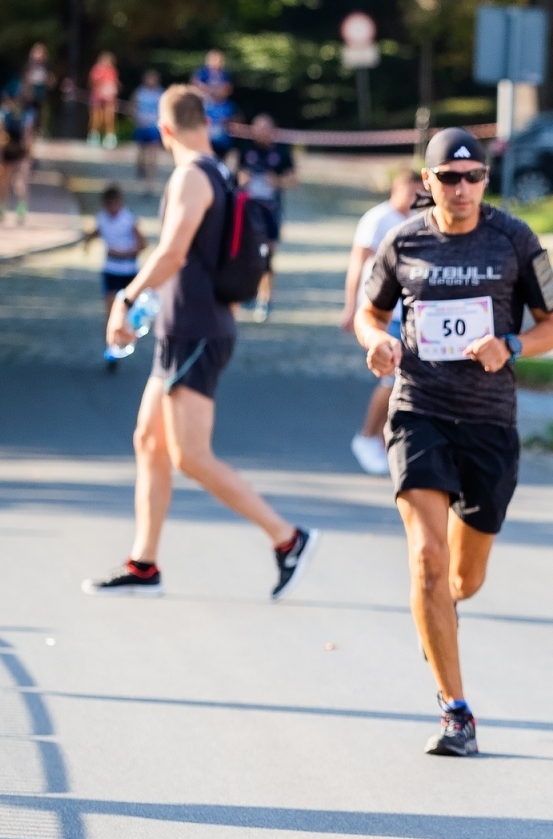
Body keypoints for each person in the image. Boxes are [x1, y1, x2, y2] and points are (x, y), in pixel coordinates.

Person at [354, 128, 553, 757]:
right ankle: (456, 711)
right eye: (450, 178)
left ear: (485, 181)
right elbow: (368, 311)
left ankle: (439, 613)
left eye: (474, 176)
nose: (463, 188)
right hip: (418, 410)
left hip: (488, 422)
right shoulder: (403, 241)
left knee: (462, 579)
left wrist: (514, 345)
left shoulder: (515, 239)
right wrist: (378, 341)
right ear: (428, 183)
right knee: (427, 560)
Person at [84, 86, 318, 600]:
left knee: (190, 456)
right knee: (149, 441)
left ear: (165, 131)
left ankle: (288, 538)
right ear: (204, 124)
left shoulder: (191, 176)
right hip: (186, 326)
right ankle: (144, 564)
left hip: (196, 330)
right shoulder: (218, 172)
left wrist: (125, 297)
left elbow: (171, 254)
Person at [343, 168, 422, 475]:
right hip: (381, 310)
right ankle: (367, 435)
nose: (415, 199)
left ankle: (385, 437)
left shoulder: (416, 220)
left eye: (419, 194)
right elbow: (357, 263)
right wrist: (351, 306)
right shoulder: (377, 219)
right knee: (390, 378)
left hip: (409, 313)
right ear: (397, 190)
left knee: (405, 380)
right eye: (410, 192)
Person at [236, 115, 295, 322]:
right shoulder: (246, 149)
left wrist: (277, 180)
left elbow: (293, 178)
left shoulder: (281, 150)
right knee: (248, 254)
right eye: (258, 128)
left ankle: (266, 299)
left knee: (268, 257)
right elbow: (237, 174)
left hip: (271, 211)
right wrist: (242, 179)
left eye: (266, 128)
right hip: (249, 210)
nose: (262, 132)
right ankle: (249, 294)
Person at [85, 185, 144, 326]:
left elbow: (143, 244)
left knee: (128, 305)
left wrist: (124, 253)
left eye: (115, 204)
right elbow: (97, 232)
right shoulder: (102, 218)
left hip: (128, 268)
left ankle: (128, 332)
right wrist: (87, 242)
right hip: (110, 268)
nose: (112, 208)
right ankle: (110, 335)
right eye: (109, 204)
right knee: (110, 304)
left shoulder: (129, 220)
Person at [0, 92, 33, 224]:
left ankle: (1, 208)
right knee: (21, 181)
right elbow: (27, 135)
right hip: (21, 152)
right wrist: (28, 153)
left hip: (7, 152)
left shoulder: (4, 114)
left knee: (3, 181)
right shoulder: (26, 114)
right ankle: (21, 208)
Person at [131, 71, 164, 180]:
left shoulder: (160, 93)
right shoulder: (140, 92)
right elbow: (133, 106)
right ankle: (140, 167)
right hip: (142, 126)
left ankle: (151, 178)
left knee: (153, 154)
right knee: (141, 151)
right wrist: (135, 118)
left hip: (154, 127)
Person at [87, 52, 119, 148]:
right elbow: (93, 83)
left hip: (109, 98)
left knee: (109, 117)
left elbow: (114, 84)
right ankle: (94, 136)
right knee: (96, 117)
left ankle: (109, 137)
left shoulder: (112, 71)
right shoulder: (97, 70)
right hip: (98, 97)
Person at [21, 44, 52, 137]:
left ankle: (40, 131)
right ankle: (28, 131)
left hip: (41, 92)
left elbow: (50, 79)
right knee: (29, 113)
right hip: (31, 92)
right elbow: (25, 78)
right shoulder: (29, 65)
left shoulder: (46, 66)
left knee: (41, 113)